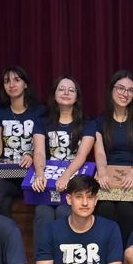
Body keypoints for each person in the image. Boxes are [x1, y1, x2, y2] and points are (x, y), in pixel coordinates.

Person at [29, 75, 97, 245]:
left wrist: (66, 176)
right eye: (61, 89)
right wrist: (39, 174)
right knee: (43, 212)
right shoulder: (42, 121)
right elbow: (39, 152)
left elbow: (81, 155)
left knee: (63, 211)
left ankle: (64, 257)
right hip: (48, 180)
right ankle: (42, 258)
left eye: (71, 90)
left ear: (77, 97)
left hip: (74, 181)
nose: (66, 92)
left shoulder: (88, 123)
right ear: (54, 94)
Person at [90, 69, 133, 240]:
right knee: (105, 207)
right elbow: (100, 153)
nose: (125, 94)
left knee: (126, 209)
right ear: (112, 89)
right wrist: (102, 171)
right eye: (120, 88)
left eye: (130, 90)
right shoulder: (99, 121)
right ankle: (104, 251)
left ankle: (126, 252)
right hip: (108, 173)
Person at [0, 64, 39, 218]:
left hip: (32, 173)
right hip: (8, 173)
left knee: (3, 197)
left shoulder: (39, 111)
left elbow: (44, 147)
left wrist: (31, 154)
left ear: (25, 84)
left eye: (16, 80)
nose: (11, 84)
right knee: (0, 192)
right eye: (7, 81)